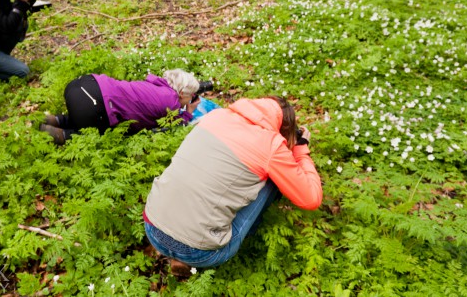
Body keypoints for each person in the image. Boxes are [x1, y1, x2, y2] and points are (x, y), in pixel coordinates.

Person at [143, 96, 322, 273]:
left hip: (152, 227)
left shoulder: (216, 115)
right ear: (285, 128)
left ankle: (179, 251)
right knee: (273, 179)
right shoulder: (271, 145)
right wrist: (300, 148)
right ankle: (247, 235)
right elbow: (311, 199)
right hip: (198, 252)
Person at [40, 69, 201, 145]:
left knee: (91, 118)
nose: (190, 99)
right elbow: (170, 129)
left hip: (82, 85)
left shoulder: (155, 85)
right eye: (190, 96)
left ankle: (52, 120)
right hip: (92, 102)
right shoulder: (171, 101)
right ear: (181, 93)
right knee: (100, 138)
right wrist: (187, 114)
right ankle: (58, 135)